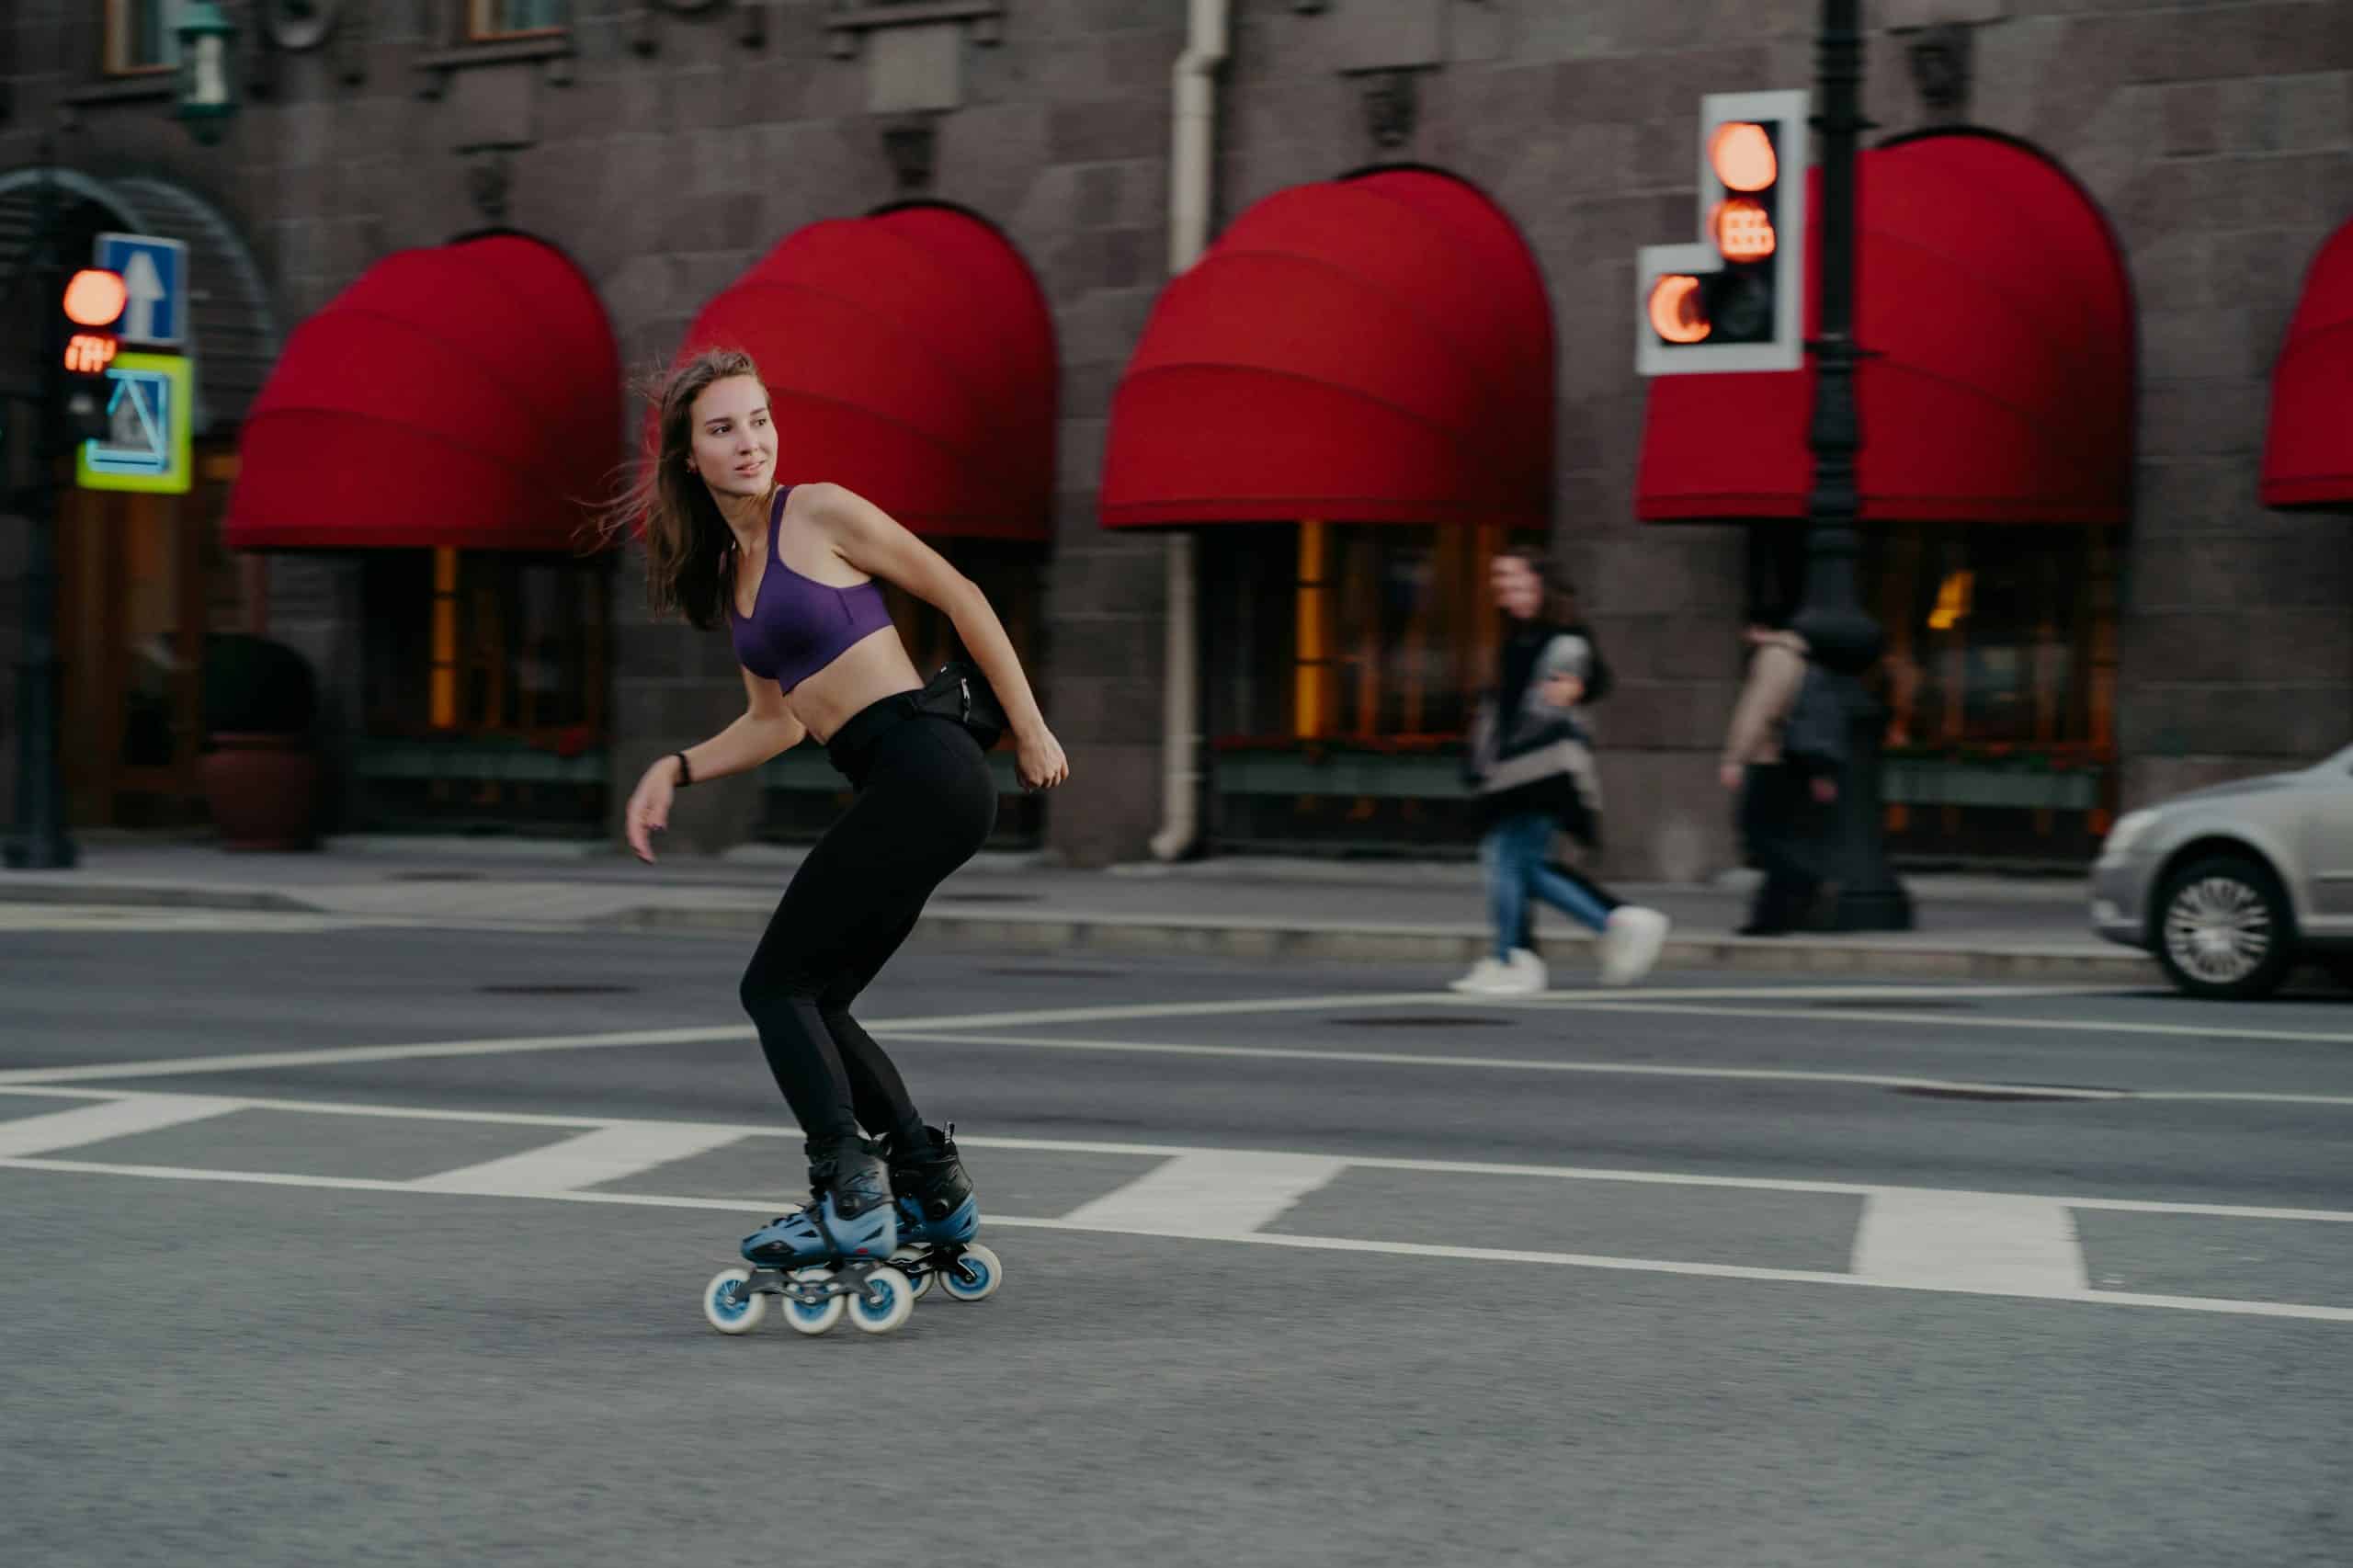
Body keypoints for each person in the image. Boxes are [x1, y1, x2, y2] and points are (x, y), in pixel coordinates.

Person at [608, 347, 1068, 1286]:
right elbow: (776, 720)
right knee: (815, 997)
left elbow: (960, 592)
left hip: (925, 762)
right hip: (906, 782)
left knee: (770, 988)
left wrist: (1029, 726)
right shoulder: (738, 577)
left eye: (760, 420)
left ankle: (847, 1190)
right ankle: (927, 1183)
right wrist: (677, 766)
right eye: (725, 428)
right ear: (690, 457)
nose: (751, 442)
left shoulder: (816, 509)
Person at [1452, 549, 1669, 995]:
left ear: (1540, 582)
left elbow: (1555, 702)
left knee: (1507, 862)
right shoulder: (1524, 635)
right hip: (1520, 772)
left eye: (1514, 580)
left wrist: (1573, 689)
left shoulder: (1564, 640)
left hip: (1540, 772)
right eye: (1500, 582)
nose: (1504, 590)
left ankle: (1516, 958)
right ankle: (1609, 924)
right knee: (1519, 866)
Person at [1720, 614, 1835, 935]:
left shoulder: (1774, 656)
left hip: (1770, 759)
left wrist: (1734, 757)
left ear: (1759, 629)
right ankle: (1775, 917)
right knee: (1778, 837)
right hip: (1794, 760)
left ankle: (1804, 882)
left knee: (1756, 832)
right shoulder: (1801, 655)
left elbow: (1759, 708)